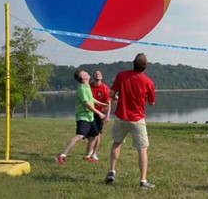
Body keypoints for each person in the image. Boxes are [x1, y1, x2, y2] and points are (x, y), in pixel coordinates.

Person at [105, 53, 156, 189]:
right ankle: (143, 181)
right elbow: (151, 103)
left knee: (117, 143)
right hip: (137, 119)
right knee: (142, 150)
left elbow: (110, 95)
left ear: (133, 64)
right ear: (145, 67)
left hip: (121, 117)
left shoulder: (121, 75)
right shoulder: (148, 82)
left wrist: (118, 98)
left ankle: (111, 171)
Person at [56, 69, 107, 165]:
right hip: (83, 117)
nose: (88, 73)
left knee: (94, 136)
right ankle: (62, 155)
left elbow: (91, 99)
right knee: (80, 135)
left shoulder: (87, 87)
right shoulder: (82, 88)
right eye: (85, 73)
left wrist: (102, 104)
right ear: (83, 77)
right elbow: (86, 103)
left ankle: (87, 156)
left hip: (90, 117)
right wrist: (99, 113)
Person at [90, 70, 111, 161]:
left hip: (100, 114)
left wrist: (108, 115)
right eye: (96, 74)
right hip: (89, 112)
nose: (97, 75)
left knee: (97, 134)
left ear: (101, 77)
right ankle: (90, 150)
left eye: (99, 74)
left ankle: (94, 153)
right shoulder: (89, 87)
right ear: (93, 76)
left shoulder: (105, 88)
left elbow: (108, 102)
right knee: (89, 134)